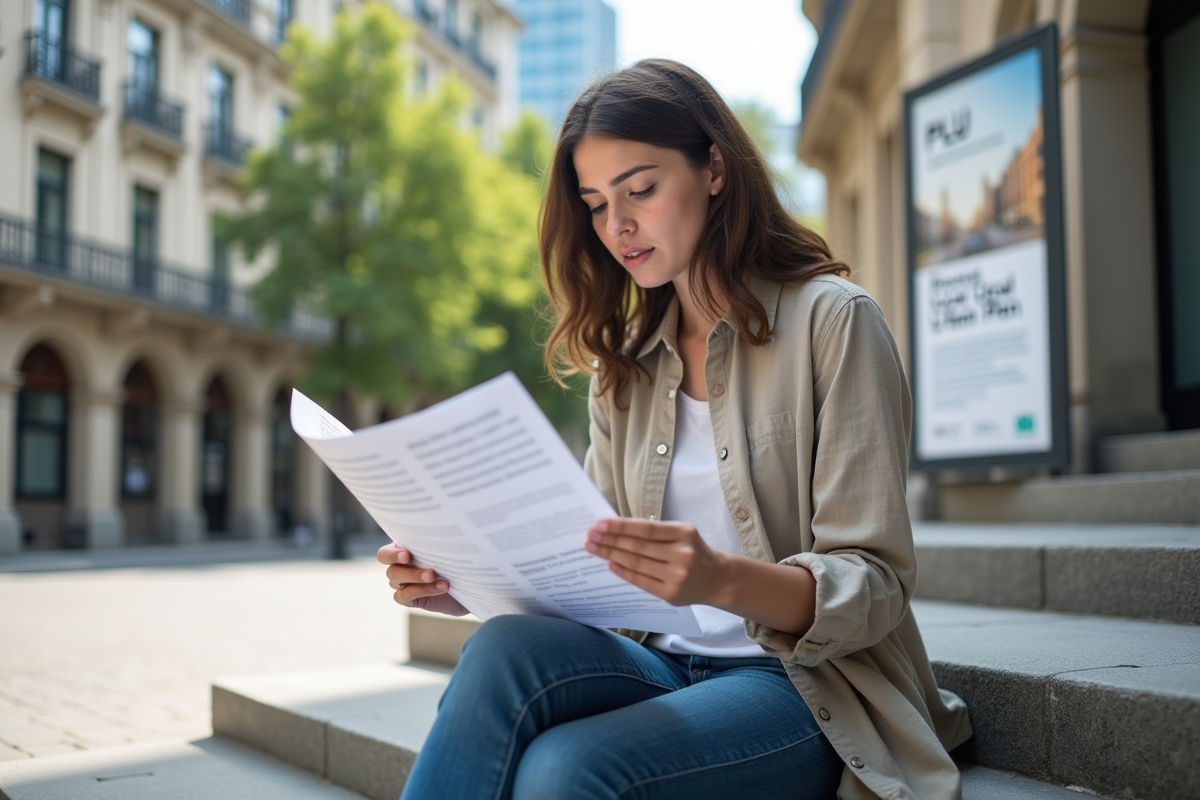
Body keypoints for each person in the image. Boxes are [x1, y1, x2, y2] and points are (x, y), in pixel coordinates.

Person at [378, 59, 972, 800]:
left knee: (566, 771)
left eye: (641, 189)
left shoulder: (834, 321)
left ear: (714, 168)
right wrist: (463, 582)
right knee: (501, 648)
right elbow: (590, 573)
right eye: (596, 204)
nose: (617, 225)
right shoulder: (620, 367)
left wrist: (720, 579)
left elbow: (876, 584)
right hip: (655, 662)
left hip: (799, 684)